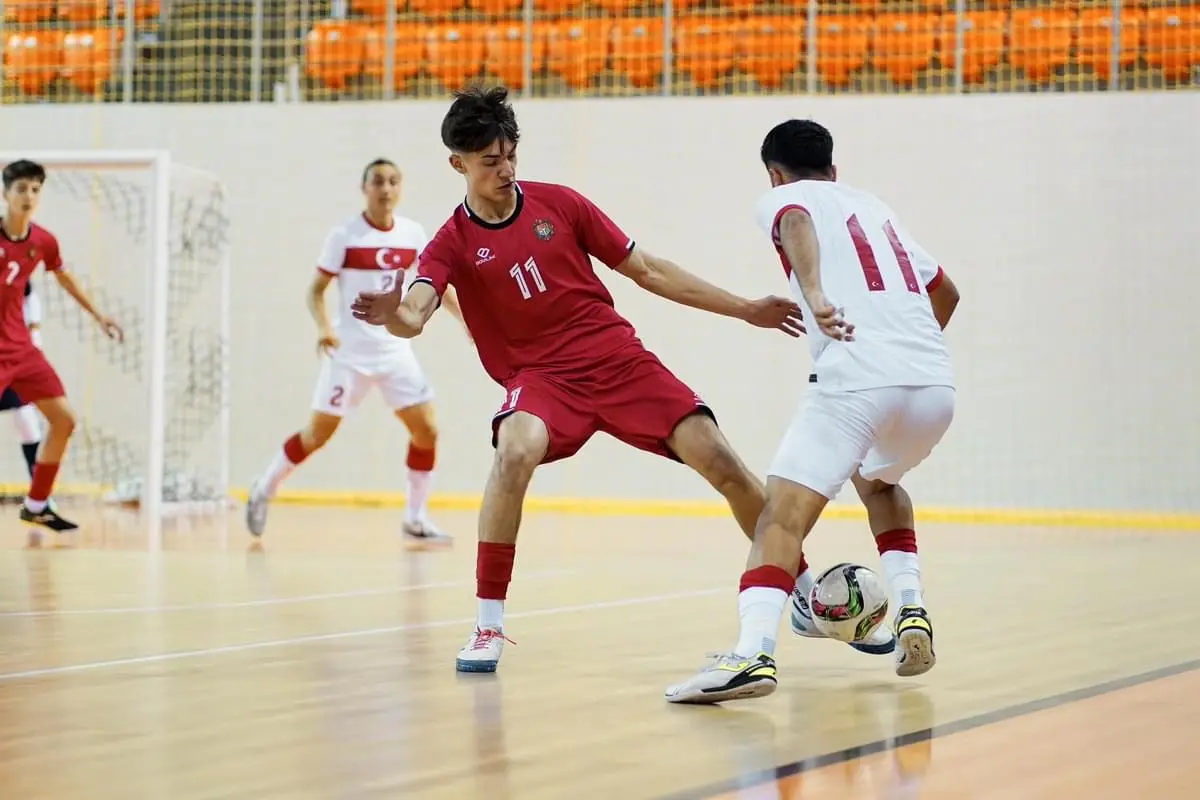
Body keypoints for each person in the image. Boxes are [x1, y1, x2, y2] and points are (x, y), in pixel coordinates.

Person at [351, 85, 810, 675]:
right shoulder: (450, 243)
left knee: (722, 460)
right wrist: (394, 314)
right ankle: (488, 624)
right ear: (457, 164)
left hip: (615, 359)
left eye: (511, 154)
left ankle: (802, 588)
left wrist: (746, 308)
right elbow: (416, 311)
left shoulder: (561, 204)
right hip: (541, 378)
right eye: (491, 161)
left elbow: (648, 270)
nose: (507, 170)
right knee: (513, 450)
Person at [665, 119, 960, 704]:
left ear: (775, 175)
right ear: (834, 166)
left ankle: (753, 655)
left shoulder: (785, 199)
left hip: (855, 378)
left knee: (779, 517)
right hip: (933, 387)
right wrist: (905, 357)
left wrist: (817, 292)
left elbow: (795, 221)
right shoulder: (876, 209)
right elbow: (946, 292)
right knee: (879, 485)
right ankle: (912, 611)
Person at [246, 158, 469, 545]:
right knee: (318, 434)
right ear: (364, 188)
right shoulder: (344, 236)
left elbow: (438, 285)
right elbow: (315, 290)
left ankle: (415, 518)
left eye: (393, 181)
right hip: (349, 354)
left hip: (395, 351)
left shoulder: (413, 234)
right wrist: (323, 329)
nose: (386, 189)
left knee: (427, 430)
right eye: (378, 182)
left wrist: (465, 320)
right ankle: (263, 488)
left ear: (401, 188)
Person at [1, 159, 125, 533]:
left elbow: (64, 277)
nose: (29, 196)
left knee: (64, 420)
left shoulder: (43, 241)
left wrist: (99, 315)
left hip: (21, 350)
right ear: (5, 193)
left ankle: (37, 504)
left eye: (35, 189)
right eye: (21, 189)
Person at [1, 281, 44, 500]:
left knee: (26, 417)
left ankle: (40, 493)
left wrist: (34, 333)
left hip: (10, 354)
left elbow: (29, 294)